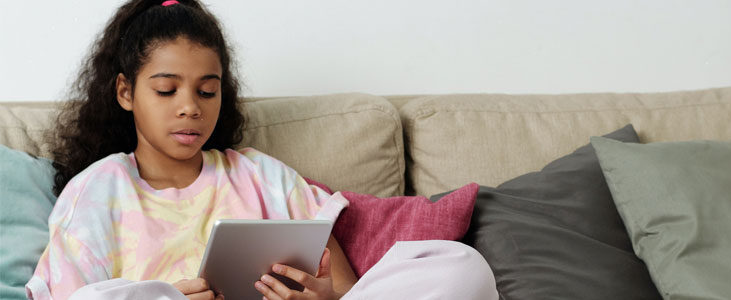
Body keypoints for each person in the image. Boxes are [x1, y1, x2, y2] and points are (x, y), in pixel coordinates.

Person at [28, 1, 498, 299]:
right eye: (167, 90)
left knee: (459, 265)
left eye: (207, 92)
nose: (190, 108)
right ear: (126, 93)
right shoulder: (96, 189)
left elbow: (349, 288)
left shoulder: (260, 174)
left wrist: (322, 298)